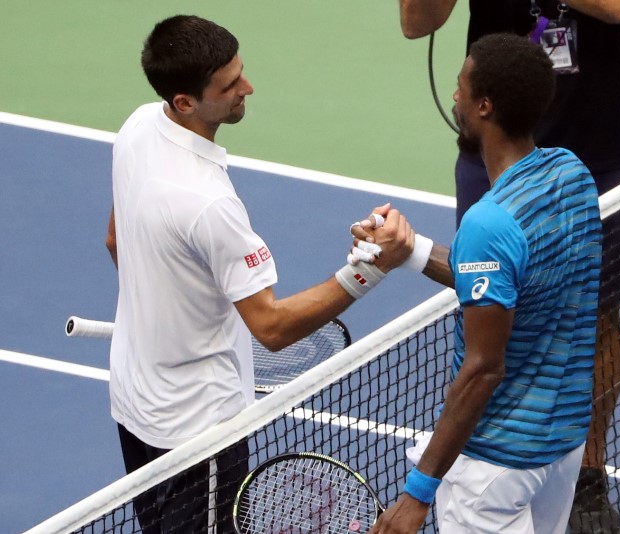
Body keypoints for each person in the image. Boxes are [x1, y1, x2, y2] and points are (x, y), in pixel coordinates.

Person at [104, 15, 413, 534]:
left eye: (240, 72)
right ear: (185, 102)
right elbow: (270, 328)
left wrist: (172, 311)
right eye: (229, 86)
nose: (247, 88)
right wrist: (368, 272)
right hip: (197, 432)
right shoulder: (209, 203)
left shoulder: (137, 126)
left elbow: (118, 240)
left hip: (134, 401)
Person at [398, 1, 620, 531]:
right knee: (493, 300)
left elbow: (616, 8)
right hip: (496, 141)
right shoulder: (490, 202)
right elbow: (417, 22)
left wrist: (419, 490)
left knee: (597, 316)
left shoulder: (566, 170)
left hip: (601, 145)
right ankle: (507, 447)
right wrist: (408, 252)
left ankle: (586, 475)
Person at [356, 33, 602, 533]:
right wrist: (411, 252)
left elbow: (483, 370)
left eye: (460, 88)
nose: (454, 98)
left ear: (484, 106)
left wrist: (417, 494)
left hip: (496, 466)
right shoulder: (571, 175)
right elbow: (514, 280)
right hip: (561, 443)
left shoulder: (488, 222)